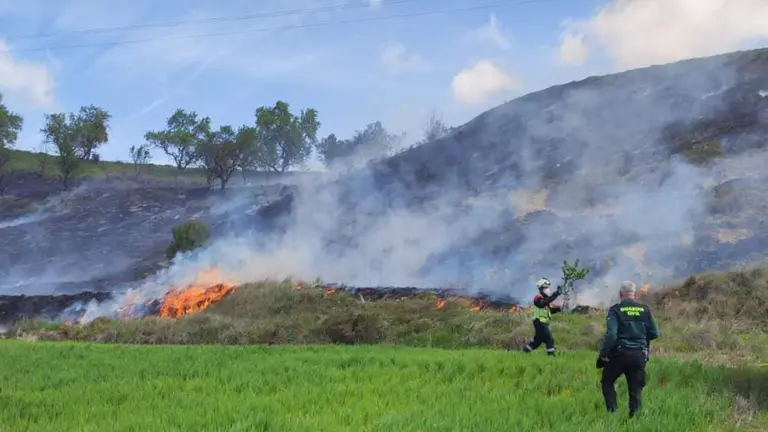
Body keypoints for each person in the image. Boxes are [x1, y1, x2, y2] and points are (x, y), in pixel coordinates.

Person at [596, 281, 660, 418]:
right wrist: (641, 340)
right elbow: (655, 333)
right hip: (639, 355)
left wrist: (603, 354)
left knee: (607, 382)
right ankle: (634, 419)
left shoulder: (616, 310)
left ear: (620, 295)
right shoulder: (645, 310)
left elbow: (611, 335)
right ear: (635, 295)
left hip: (620, 355)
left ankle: (612, 414)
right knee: (635, 389)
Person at [522, 277, 565, 356]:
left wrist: (559, 308)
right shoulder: (538, 298)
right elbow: (542, 304)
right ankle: (551, 356)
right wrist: (555, 294)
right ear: (541, 288)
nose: (548, 289)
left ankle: (524, 352)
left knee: (537, 342)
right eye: (546, 288)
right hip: (540, 323)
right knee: (549, 339)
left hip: (542, 323)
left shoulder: (545, 299)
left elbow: (549, 311)